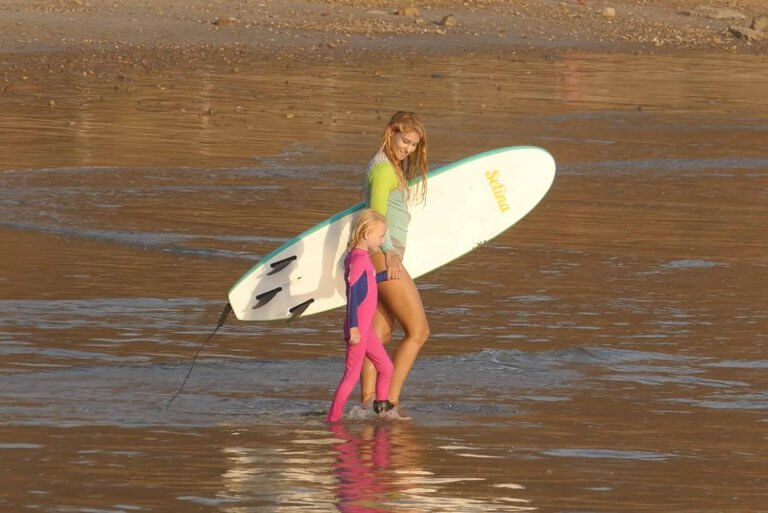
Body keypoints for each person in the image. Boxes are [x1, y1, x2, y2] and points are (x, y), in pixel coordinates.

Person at [359, 111, 430, 410]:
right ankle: (390, 402)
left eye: (414, 145)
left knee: (381, 334)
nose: (408, 149)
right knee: (419, 331)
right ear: (391, 132)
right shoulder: (384, 170)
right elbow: (374, 218)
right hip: (382, 258)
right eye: (405, 141)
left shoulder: (387, 168)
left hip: (382, 257)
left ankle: (367, 404)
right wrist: (389, 254)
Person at [327, 209, 397, 422]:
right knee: (351, 376)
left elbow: (367, 284)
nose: (383, 240)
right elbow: (355, 295)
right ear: (367, 234)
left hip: (366, 330)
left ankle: (383, 413)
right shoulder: (358, 260)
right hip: (358, 329)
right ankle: (333, 419)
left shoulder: (360, 258)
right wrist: (354, 327)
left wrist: (386, 275)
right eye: (381, 236)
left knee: (386, 367)